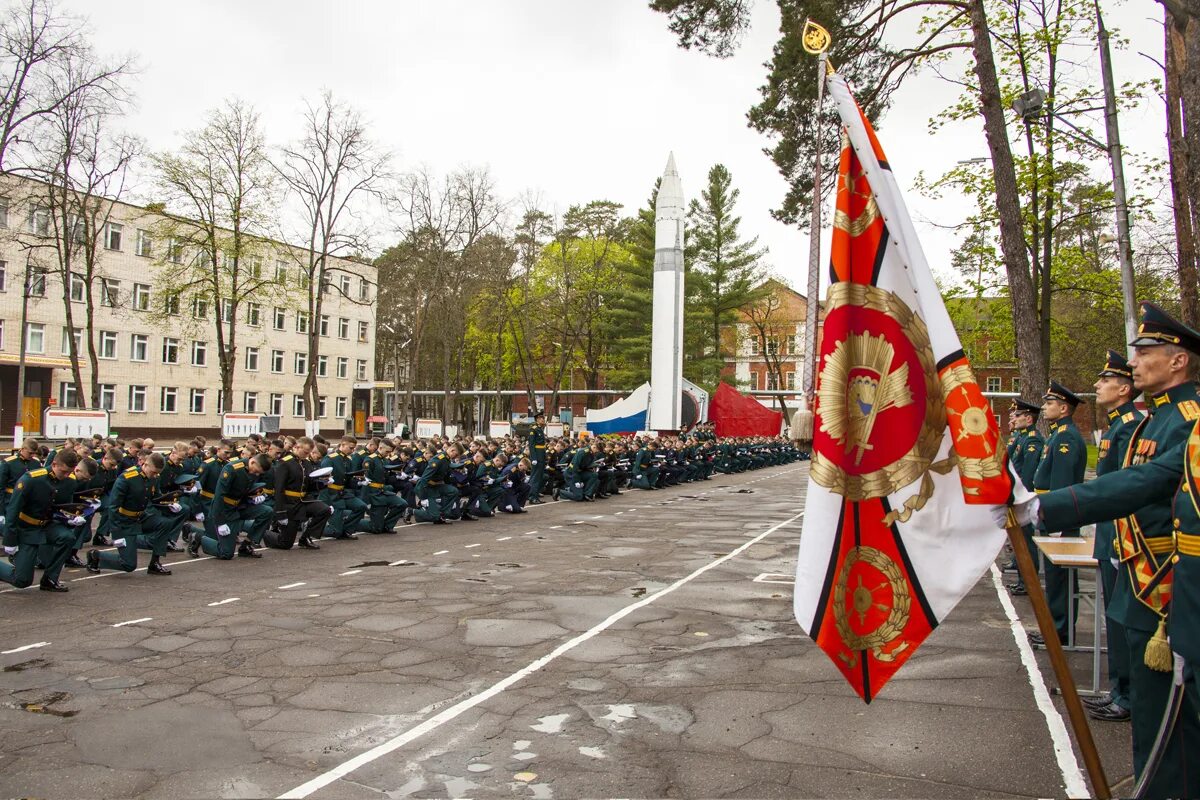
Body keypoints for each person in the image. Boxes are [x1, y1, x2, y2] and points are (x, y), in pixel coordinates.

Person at [1007, 302, 1200, 797]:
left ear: (1178, 359)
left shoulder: (1186, 418)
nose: (1135, 365)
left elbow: (1145, 483)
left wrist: (1042, 508)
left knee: (1172, 734)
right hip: (1140, 576)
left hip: (1168, 585)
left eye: (1145, 352)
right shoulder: (1151, 421)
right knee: (1155, 727)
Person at [1085, 350, 1143, 723]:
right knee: (1114, 619)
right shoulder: (1118, 425)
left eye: (1105, 380)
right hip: (1110, 535)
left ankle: (1128, 693)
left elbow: (1124, 488)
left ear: (1123, 389)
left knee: (1123, 621)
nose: (1097, 385)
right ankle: (1120, 688)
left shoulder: (1132, 426)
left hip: (1125, 538)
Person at [1028, 380, 1087, 647]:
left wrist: (1056, 518)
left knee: (1060, 578)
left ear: (1064, 408)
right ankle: (1055, 626)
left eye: (1050, 403)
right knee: (1054, 577)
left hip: (1057, 515)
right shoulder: (1057, 434)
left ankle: (1060, 630)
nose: (1045, 407)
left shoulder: (1066, 437)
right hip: (1049, 511)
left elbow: (1062, 484)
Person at [1, 450, 84, 592]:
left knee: (67, 537)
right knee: (22, 580)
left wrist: (70, 518)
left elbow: (62, 508)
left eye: (69, 472)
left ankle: (50, 579)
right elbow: (13, 511)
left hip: (47, 526)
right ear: (54, 464)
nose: (66, 475)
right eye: (63, 471)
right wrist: (10, 541)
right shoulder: (31, 479)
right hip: (26, 528)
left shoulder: (69, 482)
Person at [86, 453, 176, 577]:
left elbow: (156, 497)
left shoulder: (155, 477)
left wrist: (169, 504)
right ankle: (96, 556)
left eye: (157, 473)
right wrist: (116, 532)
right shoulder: (127, 478)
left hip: (141, 517)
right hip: (124, 521)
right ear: (145, 464)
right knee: (129, 565)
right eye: (153, 472)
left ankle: (155, 563)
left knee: (165, 523)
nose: (155, 475)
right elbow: (113, 507)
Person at [189, 453, 273, 560]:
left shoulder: (253, 469)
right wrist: (220, 522)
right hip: (226, 510)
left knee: (267, 511)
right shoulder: (232, 469)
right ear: (252, 461)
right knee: (226, 553)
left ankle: (247, 545)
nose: (256, 474)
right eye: (256, 471)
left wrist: (253, 498)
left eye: (258, 473)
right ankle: (198, 536)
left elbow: (247, 489)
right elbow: (219, 496)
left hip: (240, 507)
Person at [1006, 399, 1045, 596]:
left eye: (1019, 415)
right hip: (1017, 495)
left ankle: (1028, 581)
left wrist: (1022, 497)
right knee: (1022, 540)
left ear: (1029, 418)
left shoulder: (1032, 440)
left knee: (1027, 542)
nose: (1015, 418)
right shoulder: (1022, 437)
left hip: (1024, 497)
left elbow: (1028, 473)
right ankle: (1023, 579)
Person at [266, 437, 330, 550]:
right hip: (289, 504)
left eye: (309, 453)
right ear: (296, 447)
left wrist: (323, 483)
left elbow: (309, 486)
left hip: (304, 501)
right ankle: (263, 533)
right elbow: (279, 489)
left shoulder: (306, 463)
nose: (307, 455)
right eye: (305, 452)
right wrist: (280, 513)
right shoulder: (285, 463)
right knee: (285, 544)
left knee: (324, 510)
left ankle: (305, 537)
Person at [526, 412, 548, 503]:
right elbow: (531, 445)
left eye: (543, 418)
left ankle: (534, 495)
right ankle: (532, 497)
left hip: (541, 455)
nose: (543, 420)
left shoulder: (540, 429)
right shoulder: (533, 429)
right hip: (537, 456)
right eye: (541, 418)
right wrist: (534, 458)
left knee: (538, 477)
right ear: (537, 420)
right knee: (535, 477)